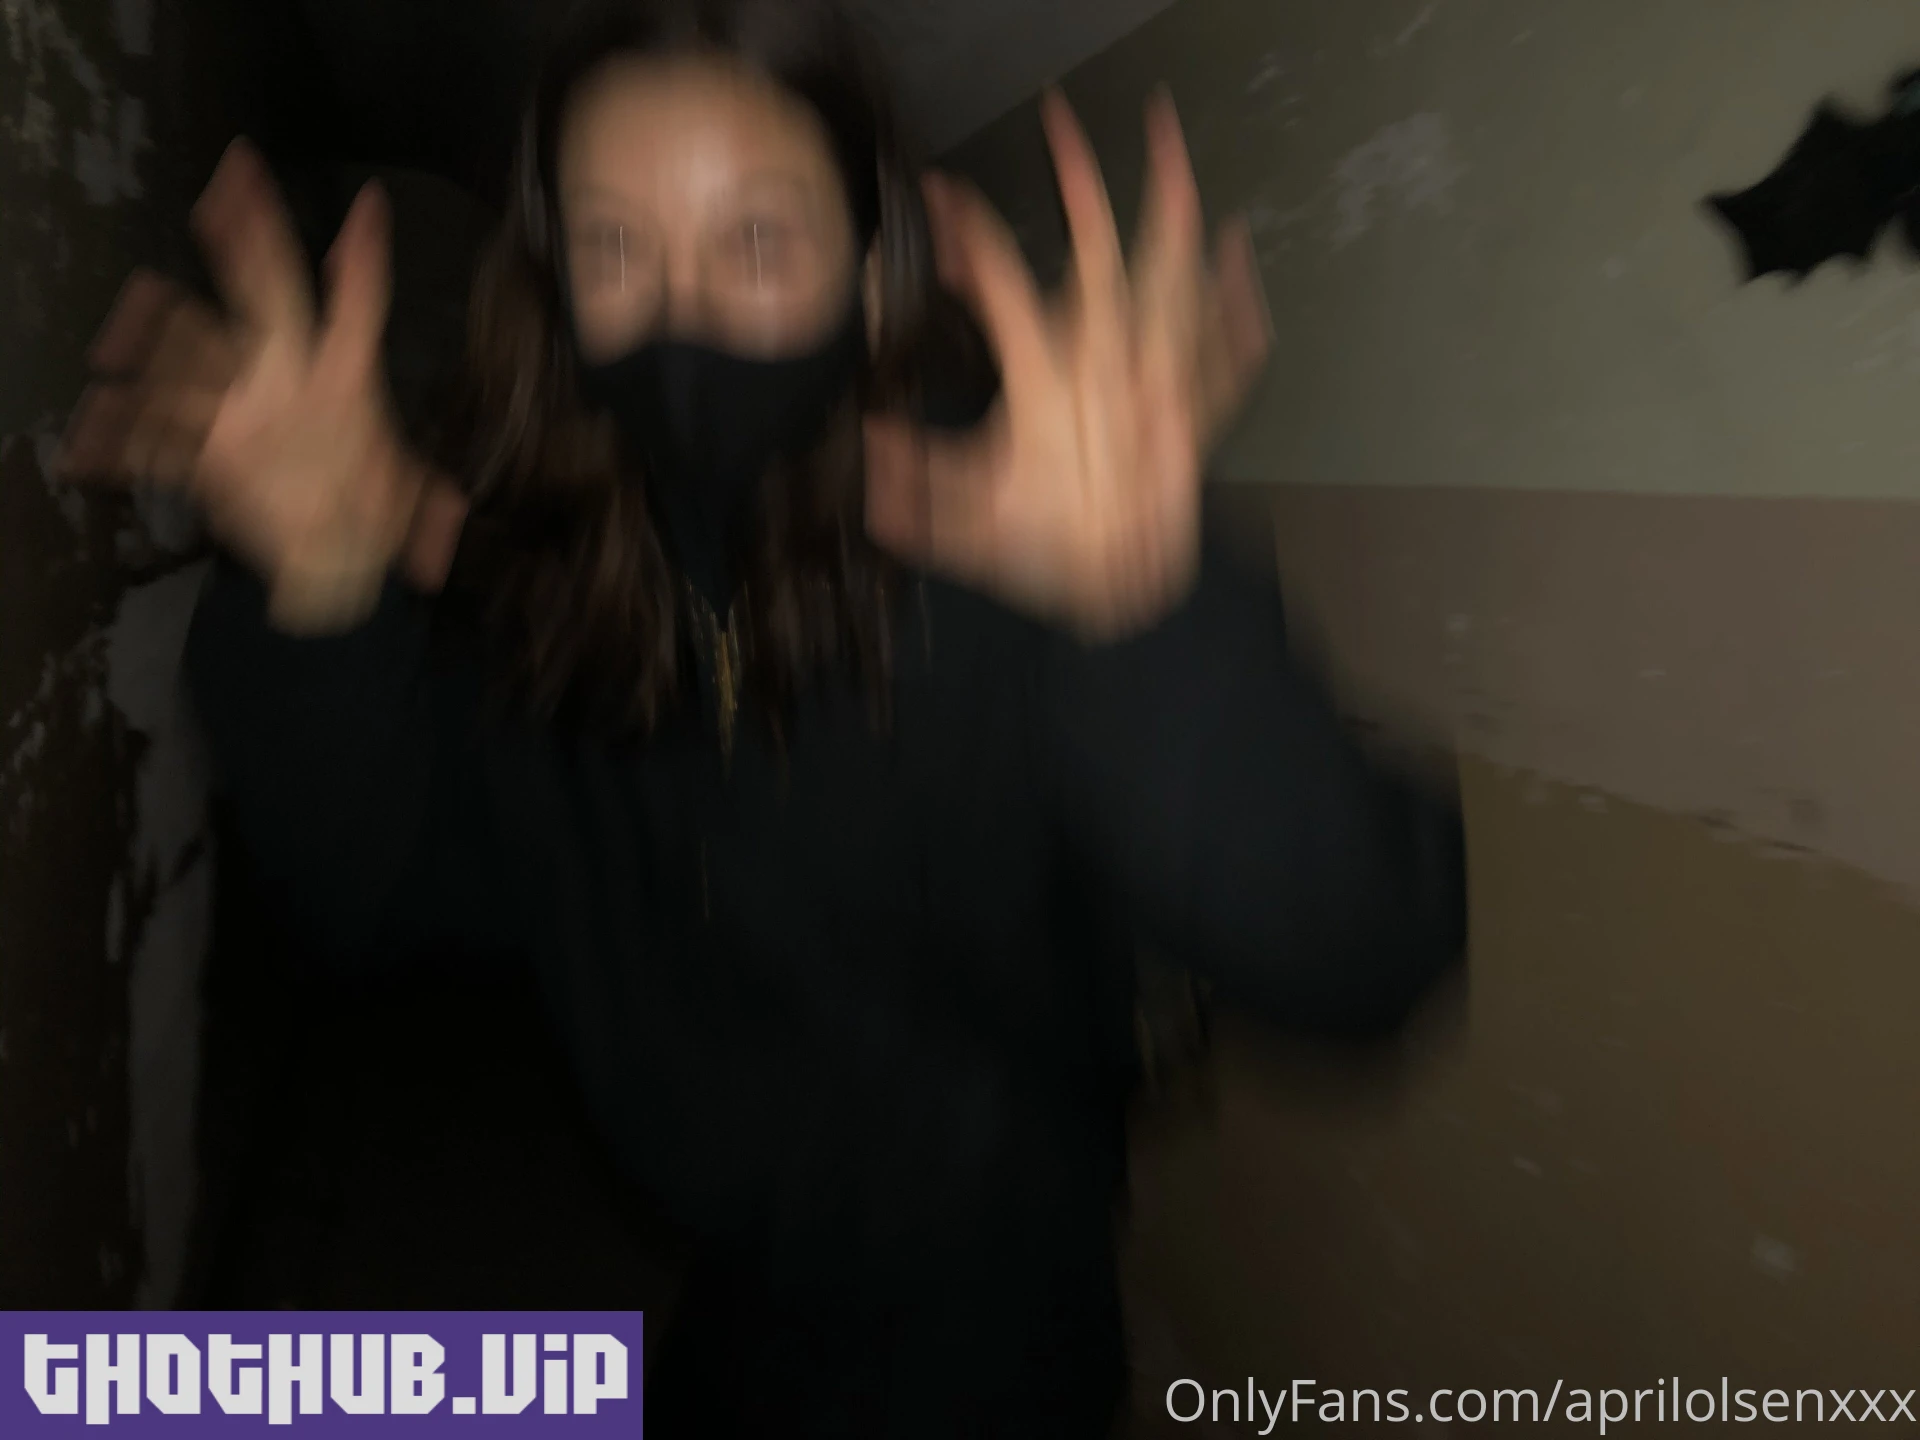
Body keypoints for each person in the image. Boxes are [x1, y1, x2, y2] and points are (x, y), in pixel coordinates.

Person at [60, 0, 1468, 1432]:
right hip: (724, 1297)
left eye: (755, 240)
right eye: (614, 249)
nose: (682, 321)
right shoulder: (568, 598)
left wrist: (1141, 606)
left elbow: (1364, 963)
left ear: (868, 271)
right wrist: (317, 592)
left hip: (986, 1333)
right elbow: (377, 890)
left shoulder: (1022, 548)